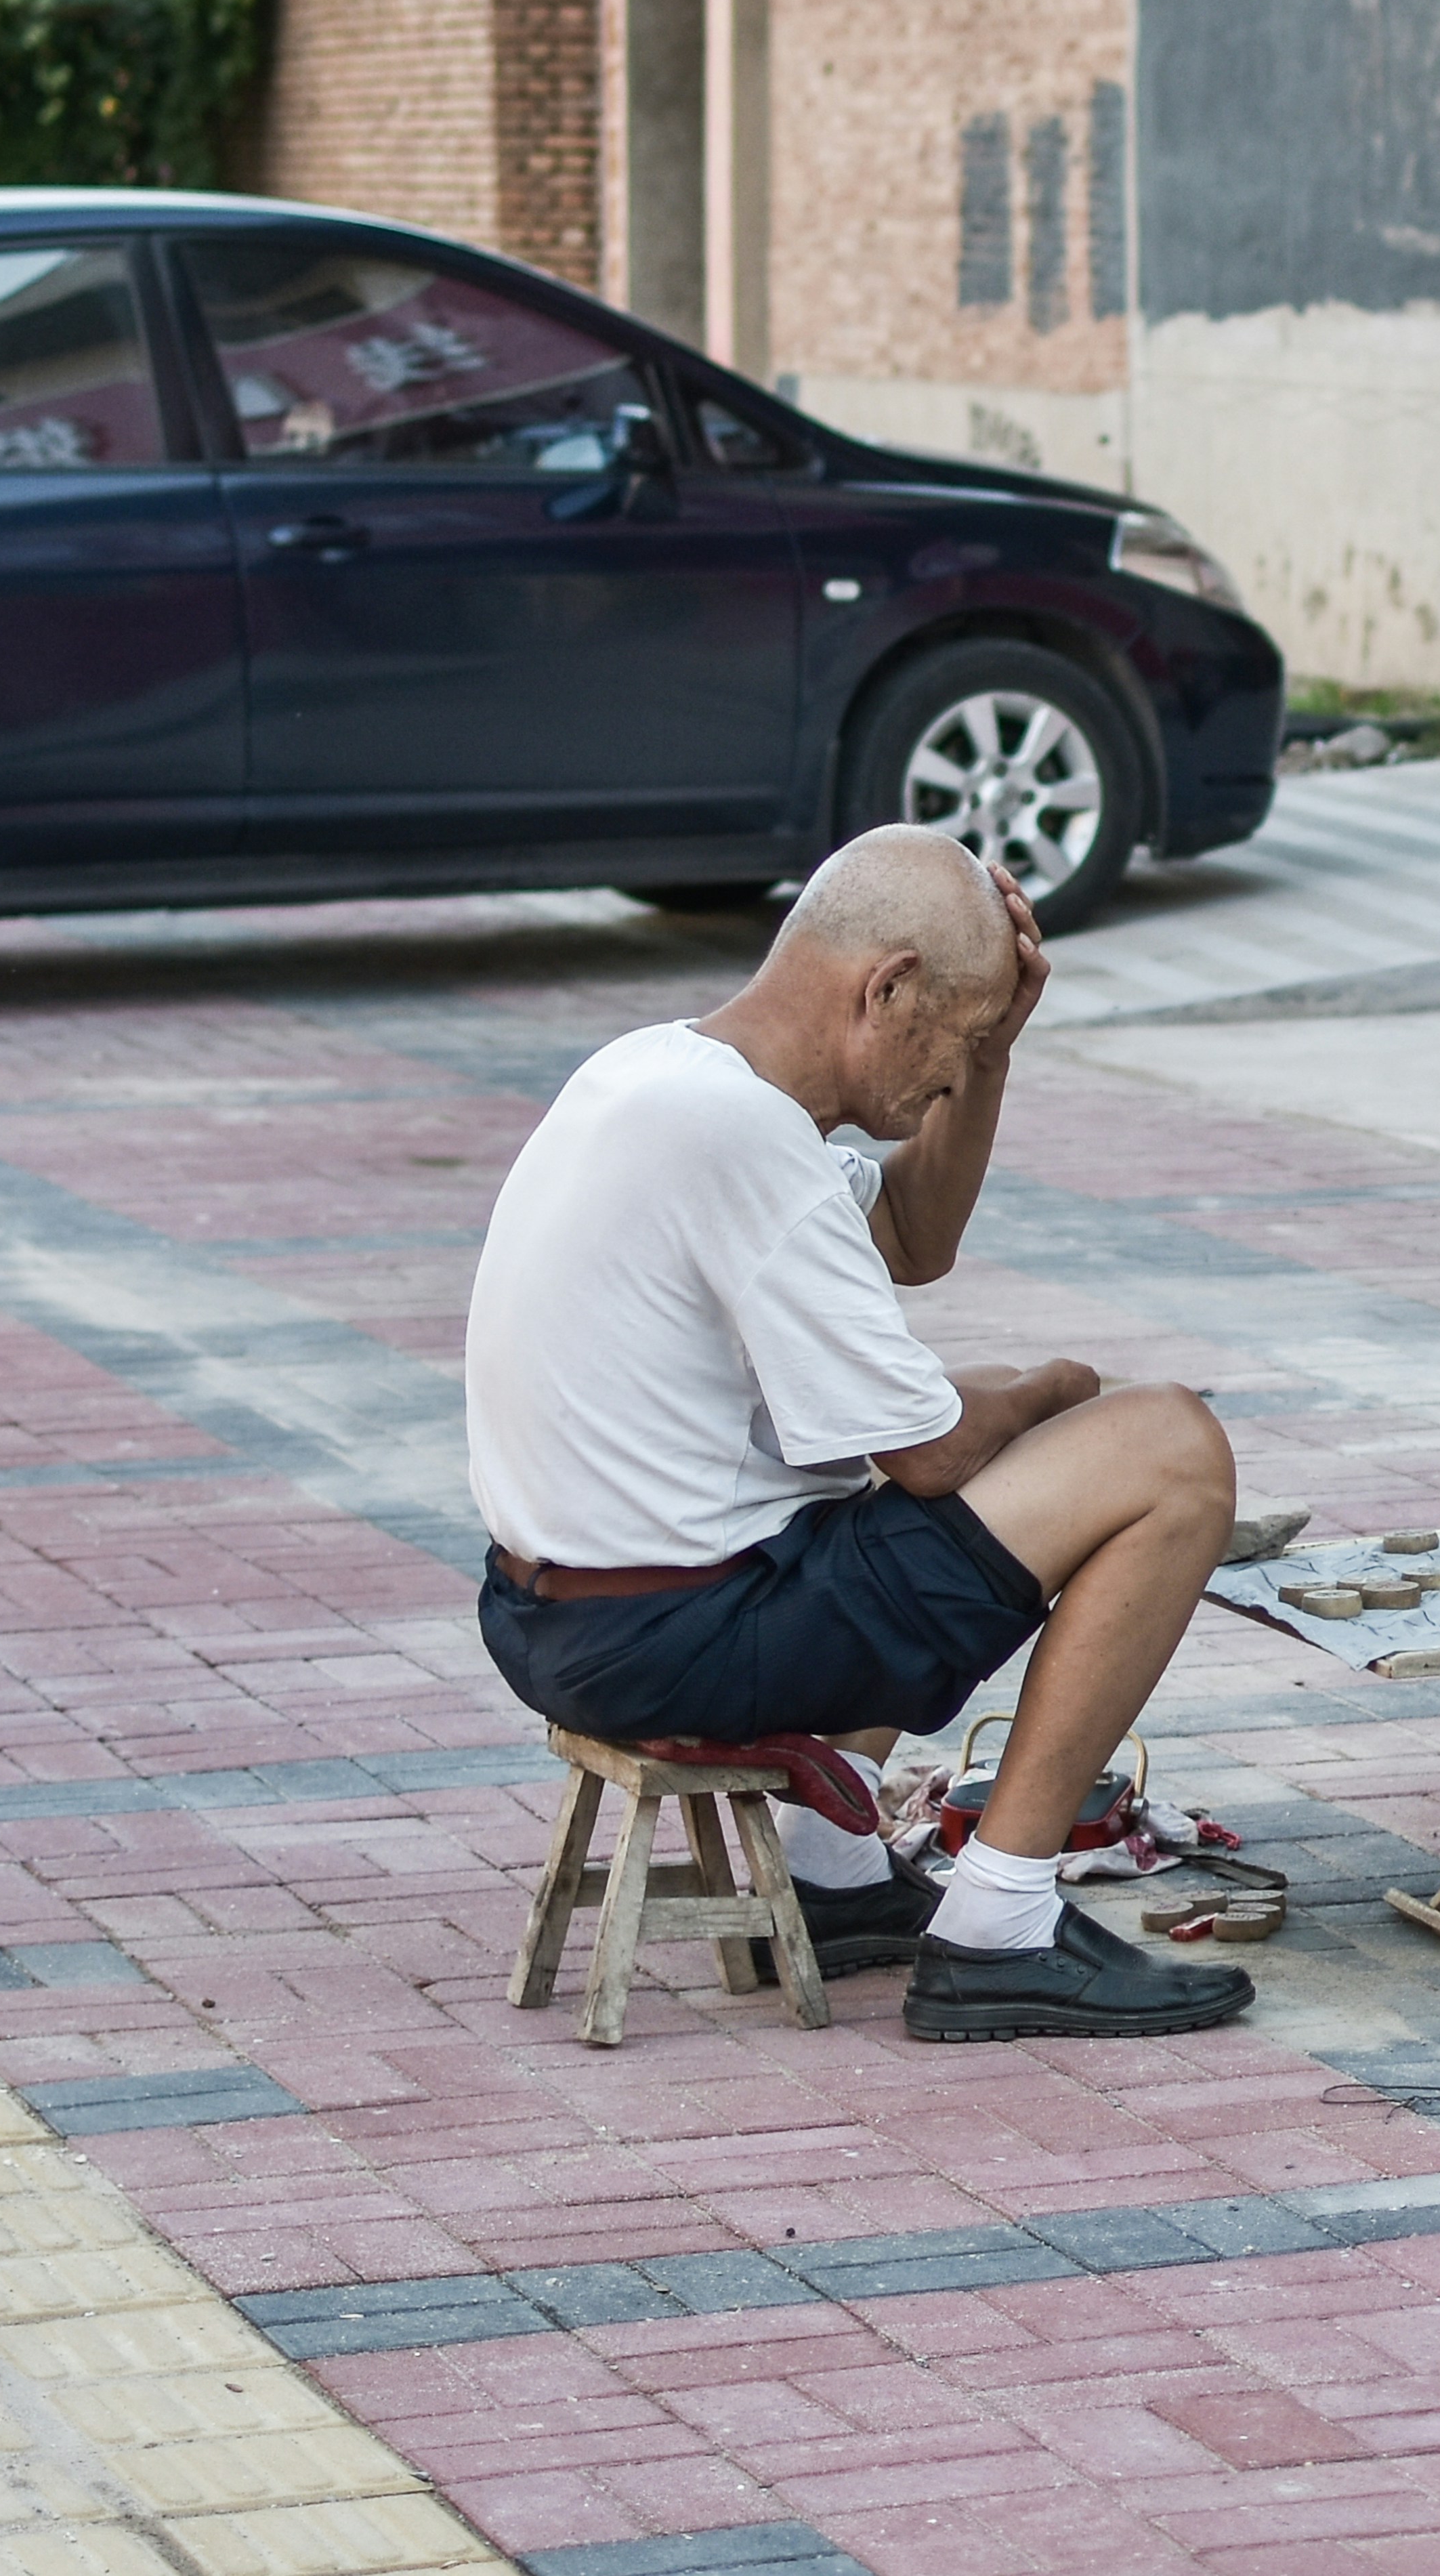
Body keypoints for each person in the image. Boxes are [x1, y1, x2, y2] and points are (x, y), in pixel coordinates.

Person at [467, 826, 1254, 2042]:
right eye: (954, 1038)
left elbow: (911, 1242)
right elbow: (933, 1458)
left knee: (936, 1448)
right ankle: (1000, 1925)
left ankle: (830, 1878)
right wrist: (1056, 1393)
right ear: (886, 990)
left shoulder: (662, 1076)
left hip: (562, 1615)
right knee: (1169, 1448)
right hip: (666, 1638)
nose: (948, 1080)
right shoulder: (740, 1140)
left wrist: (993, 1059)